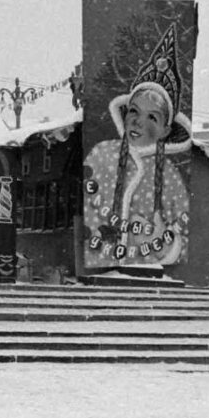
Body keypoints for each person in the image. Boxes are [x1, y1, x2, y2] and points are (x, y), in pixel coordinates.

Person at [83, 63, 192, 268]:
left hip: (146, 273)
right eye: (134, 111)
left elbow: (185, 230)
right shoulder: (101, 154)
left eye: (152, 117)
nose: (138, 122)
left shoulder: (170, 176)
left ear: (165, 131)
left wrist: (163, 245)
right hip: (97, 269)